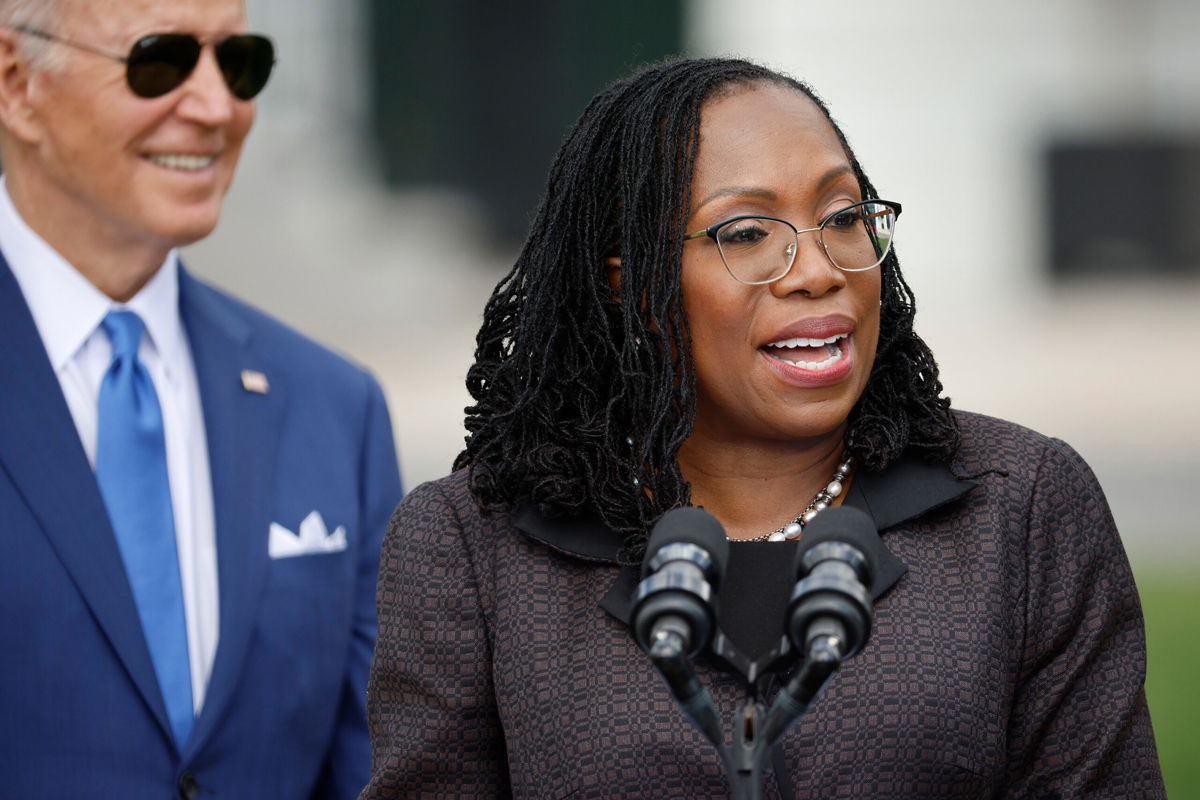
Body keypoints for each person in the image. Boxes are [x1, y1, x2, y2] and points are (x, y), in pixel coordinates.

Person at [361, 57, 1164, 799]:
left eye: (844, 216)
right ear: (630, 284)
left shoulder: (1020, 510)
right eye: (747, 233)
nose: (819, 270)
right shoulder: (470, 549)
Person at [0, 0, 401, 797]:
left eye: (239, 62)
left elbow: (380, 767)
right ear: (17, 85)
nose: (218, 107)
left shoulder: (333, 407)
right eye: (161, 59)